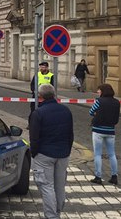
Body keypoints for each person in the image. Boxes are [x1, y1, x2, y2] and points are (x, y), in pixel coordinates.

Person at [29, 83, 74, 219]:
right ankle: (58, 212)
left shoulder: (38, 113)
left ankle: (51, 216)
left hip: (44, 154)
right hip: (63, 154)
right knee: (60, 186)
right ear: (54, 95)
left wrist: (34, 153)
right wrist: (67, 150)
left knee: (46, 186)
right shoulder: (66, 110)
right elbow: (70, 135)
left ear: (40, 97)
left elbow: (34, 138)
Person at [89, 83, 120, 185]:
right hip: (111, 130)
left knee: (97, 154)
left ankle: (98, 176)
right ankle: (114, 176)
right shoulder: (117, 102)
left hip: (98, 130)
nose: (98, 92)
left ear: (103, 91)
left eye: (99, 90)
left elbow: (91, 111)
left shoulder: (99, 101)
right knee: (112, 154)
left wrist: (97, 114)